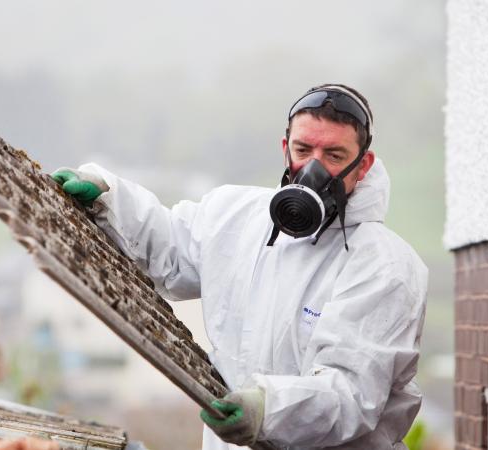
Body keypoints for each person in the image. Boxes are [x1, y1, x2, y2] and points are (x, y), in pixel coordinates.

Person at [51, 84, 428, 450]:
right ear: (285, 149)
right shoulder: (236, 216)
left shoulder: (385, 268)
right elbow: (165, 246)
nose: (314, 169)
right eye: (303, 149)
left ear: (362, 166)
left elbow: (350, 393)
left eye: (334, 155)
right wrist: (106, 195)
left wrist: (268, 409)